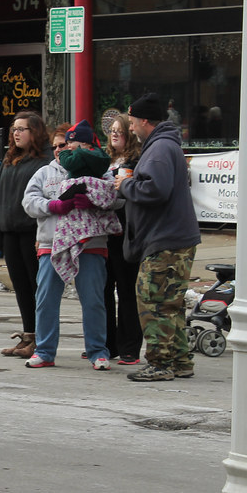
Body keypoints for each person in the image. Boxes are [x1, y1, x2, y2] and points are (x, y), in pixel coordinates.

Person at [116, 93, 201, 382]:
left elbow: (155, 190)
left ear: (143, 121)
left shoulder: (160, 149)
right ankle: (179, 360)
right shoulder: (164, 146)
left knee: (153, 301)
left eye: (131, 123)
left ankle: (160, 363)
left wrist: (126, 184)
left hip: (166, 239)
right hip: (173, 237)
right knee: (169, 303)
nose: (130, 128)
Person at [22, 120, 119, 371]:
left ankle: (98, 351)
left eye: (66, 145)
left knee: (94, 299)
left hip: (91, 244)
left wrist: (94, 200)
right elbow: (28, 202)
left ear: (85, 145)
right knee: (45, 300)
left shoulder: (102, 170)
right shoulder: (45, 173)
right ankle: (44, 351)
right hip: (51, 244)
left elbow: (118, 198)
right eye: (57, 146)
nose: (60, 150)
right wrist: (53, 206)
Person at [0, 111, 53, 360]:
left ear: (34, 132)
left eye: (22, 129)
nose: (16, 133)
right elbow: (0, 199)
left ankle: (41, 338)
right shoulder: (10, 159)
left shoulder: (45, 161)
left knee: (38, 286)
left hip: (32, 232)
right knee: (21, 288)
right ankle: (28, 335)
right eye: (14, 129)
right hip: (10, 232)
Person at [104, 114, 143, 365]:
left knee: (127, 291)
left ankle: (130, 347)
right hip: (105, 234)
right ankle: (106, 344)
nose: (115, 134)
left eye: (120, 130)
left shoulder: (136, 160)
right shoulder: (105, 161)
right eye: (112, 131)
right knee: (104, 290)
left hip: (127, 233)